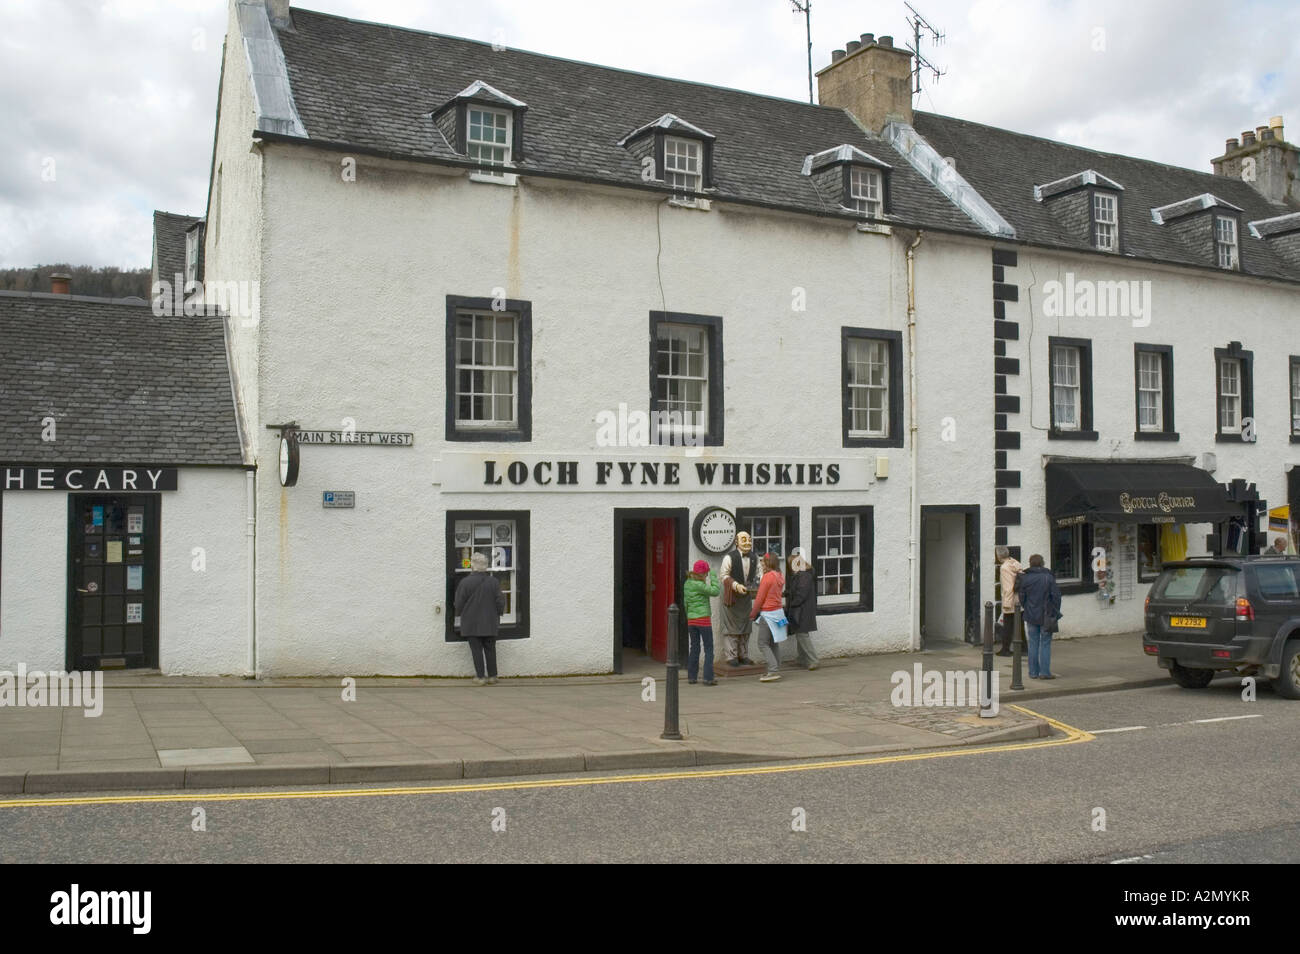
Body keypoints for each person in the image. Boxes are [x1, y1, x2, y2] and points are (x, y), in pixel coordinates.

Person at [454, 551, 505, 685]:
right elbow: (500, 601)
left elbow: (459, 603)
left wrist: (459, 613)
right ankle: (493, 676)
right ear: (485, 566)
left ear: (473, 565)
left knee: (476, 650)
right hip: (490, 621)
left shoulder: (465, 582)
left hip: (471, 622)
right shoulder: (494, 582)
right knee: (490, 649)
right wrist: (498, 613)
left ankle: (481, 677)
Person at [1014, 554, 1062, 680]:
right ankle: (1045, 672)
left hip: (1031, 614)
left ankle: (1033, 672)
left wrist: (1028, 607)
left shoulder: (1025, 578)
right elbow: (1056, 597)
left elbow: (1022, 597)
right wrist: (1055, 612)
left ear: (1030, 563)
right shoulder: (1048, 577)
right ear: (1042, 563)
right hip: (1047, 614)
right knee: (1045, 643)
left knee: (1033, 643)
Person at [719, 531, 761, 666]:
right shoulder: (729, 557)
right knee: (731, 628)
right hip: (732, 598)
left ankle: (743, 655)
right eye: (744, 540)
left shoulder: (755, 557)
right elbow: (723, 576)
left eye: (749, 540)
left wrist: (759, 583)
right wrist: (736, 586)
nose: (747, 543)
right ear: (736, 543)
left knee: (746, 627)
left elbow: (759, 574)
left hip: (746, 599)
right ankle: (731, 657)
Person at [749, 552, 787, 682]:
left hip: (769, 614)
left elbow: (760, 598)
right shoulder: (779, 576)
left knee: (762, 643)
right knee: (773, 642)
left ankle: (773, 670)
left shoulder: (767, 577)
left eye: (763, 562)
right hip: (778, 612)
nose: (761, 564)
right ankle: (776, 667)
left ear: (768, 562)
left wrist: (753, 613)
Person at [683, 559, 720, 685]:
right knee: (709, 649)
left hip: (691, 620)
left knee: (694, 647)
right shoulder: (699, 585)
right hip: (703, 619)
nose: (706, 576)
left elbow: (685, 602)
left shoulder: (687, 583)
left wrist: (689, 615)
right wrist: (714, 576)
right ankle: (708, 678)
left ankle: (692, 677)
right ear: (703, 573)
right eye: (706, 574)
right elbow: (715, 591)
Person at [784, 547, 819, 670]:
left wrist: (792, 603)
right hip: (802, 609)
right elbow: (797, 591)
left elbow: (801, 594)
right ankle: (802, 658)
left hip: (803, 610)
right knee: (800, 634)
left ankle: (813, 659)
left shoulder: (803, 575)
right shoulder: (802, 574)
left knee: (802, 635)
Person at [995, 545, 1022, 656]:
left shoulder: (1005, 567)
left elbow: (1008, 587)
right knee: (1019, 625)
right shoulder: (1015, 563)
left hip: (1011, 601)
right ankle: (1024, 648)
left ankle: (1005, 649)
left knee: (1008, 626)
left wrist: (1006, 603)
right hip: (1019, 599)